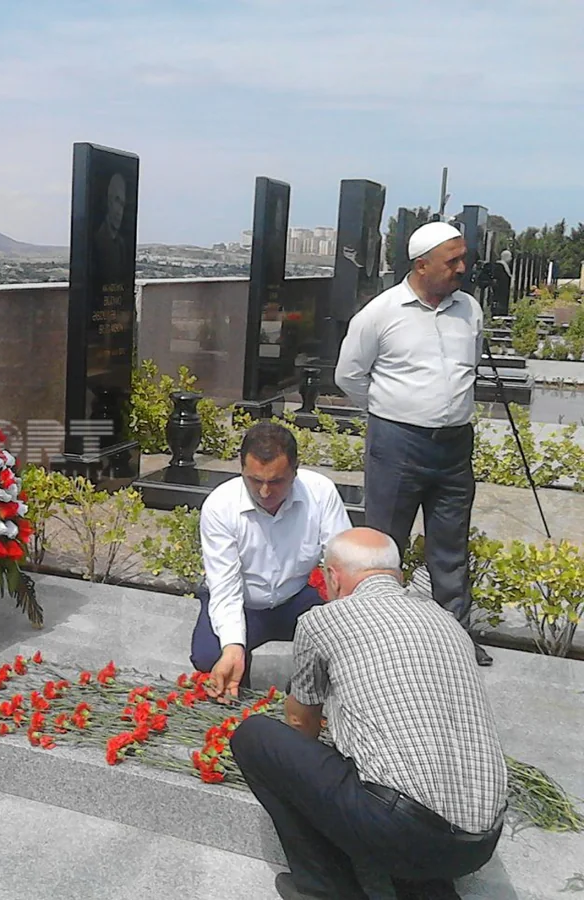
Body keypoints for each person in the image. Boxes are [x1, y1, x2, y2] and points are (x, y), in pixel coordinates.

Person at [230, 528, 507, 900]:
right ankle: (425, 891)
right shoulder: (446, 621)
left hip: (400, 830)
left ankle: (327, 889)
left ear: (333, 576)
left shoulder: (324, 620)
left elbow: (300, 723)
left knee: (256, 737)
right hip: (481, 842)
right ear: (397, 576)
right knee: (402, 772)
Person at [334, 221, 491, 666]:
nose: (462, 268)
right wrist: (391, 408)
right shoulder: (381, 314)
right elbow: (348, 376)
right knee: (385, 544)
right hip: (398, 444)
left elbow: (469, 366)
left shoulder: (469, 310)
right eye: (452, 261)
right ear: (422, 265)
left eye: (463, 258)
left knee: (450, 545)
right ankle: (378, 638)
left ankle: (454, 637)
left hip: (455, 447)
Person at [191, 422, 351, 699]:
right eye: (255, 481)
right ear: (241, 469)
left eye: (276, 482)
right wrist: (233, 647)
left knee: (349, 640)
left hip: (297, 598)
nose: (265, 492)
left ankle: (307, 699)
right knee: (210, 658)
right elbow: (225, 588)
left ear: (295, 472)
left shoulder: (320, 492)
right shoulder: (220, 506)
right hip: (244, 601)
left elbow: (343, 565)